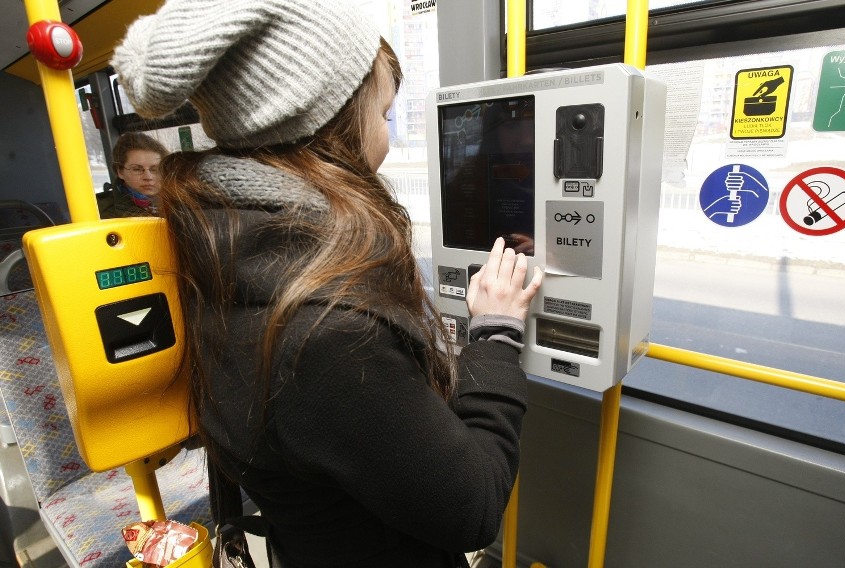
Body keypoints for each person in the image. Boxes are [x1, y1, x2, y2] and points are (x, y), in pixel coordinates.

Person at [111, 1, 542, 567]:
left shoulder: (216, 248)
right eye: (384, 114)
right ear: (333, 123)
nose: (387, 140)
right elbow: (473, 508)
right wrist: (495, 337)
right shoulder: (328, 333)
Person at [110, 132, 168, 215]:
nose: (148, 177)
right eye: (137, 169)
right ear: (120, 172)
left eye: (155, 169)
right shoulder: (98, 211)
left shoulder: (182, 202)